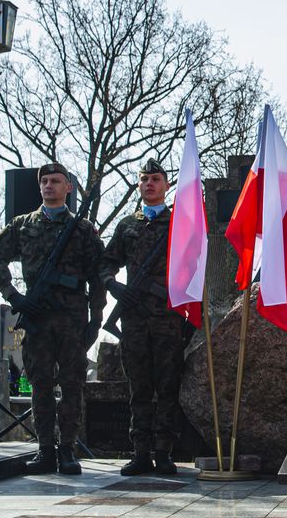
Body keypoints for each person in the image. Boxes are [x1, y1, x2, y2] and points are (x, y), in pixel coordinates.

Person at [0, 163, 105, 475]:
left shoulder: (83, 229)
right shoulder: (22, 225)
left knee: (72, 385)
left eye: (56, 181)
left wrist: (96, 317)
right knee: (40, 384)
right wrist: (14, 296)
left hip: (72, 318)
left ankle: (67, 449)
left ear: (68, 188)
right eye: (45, 181)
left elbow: (98, 275)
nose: (49, 185)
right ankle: (45, 450)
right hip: (37, 316)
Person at [101, 158, 187, 476]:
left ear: (166, 185)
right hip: (134, 317)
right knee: (138, 388)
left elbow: (195, 262)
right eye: (144, 179)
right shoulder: (127, 225)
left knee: (167, 386)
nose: (149, 183)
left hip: (167, 317)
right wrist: (113, 286)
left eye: (155, 179)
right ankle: (140, 453)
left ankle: (163, 452)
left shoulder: (180, 223)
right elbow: (106, 262)